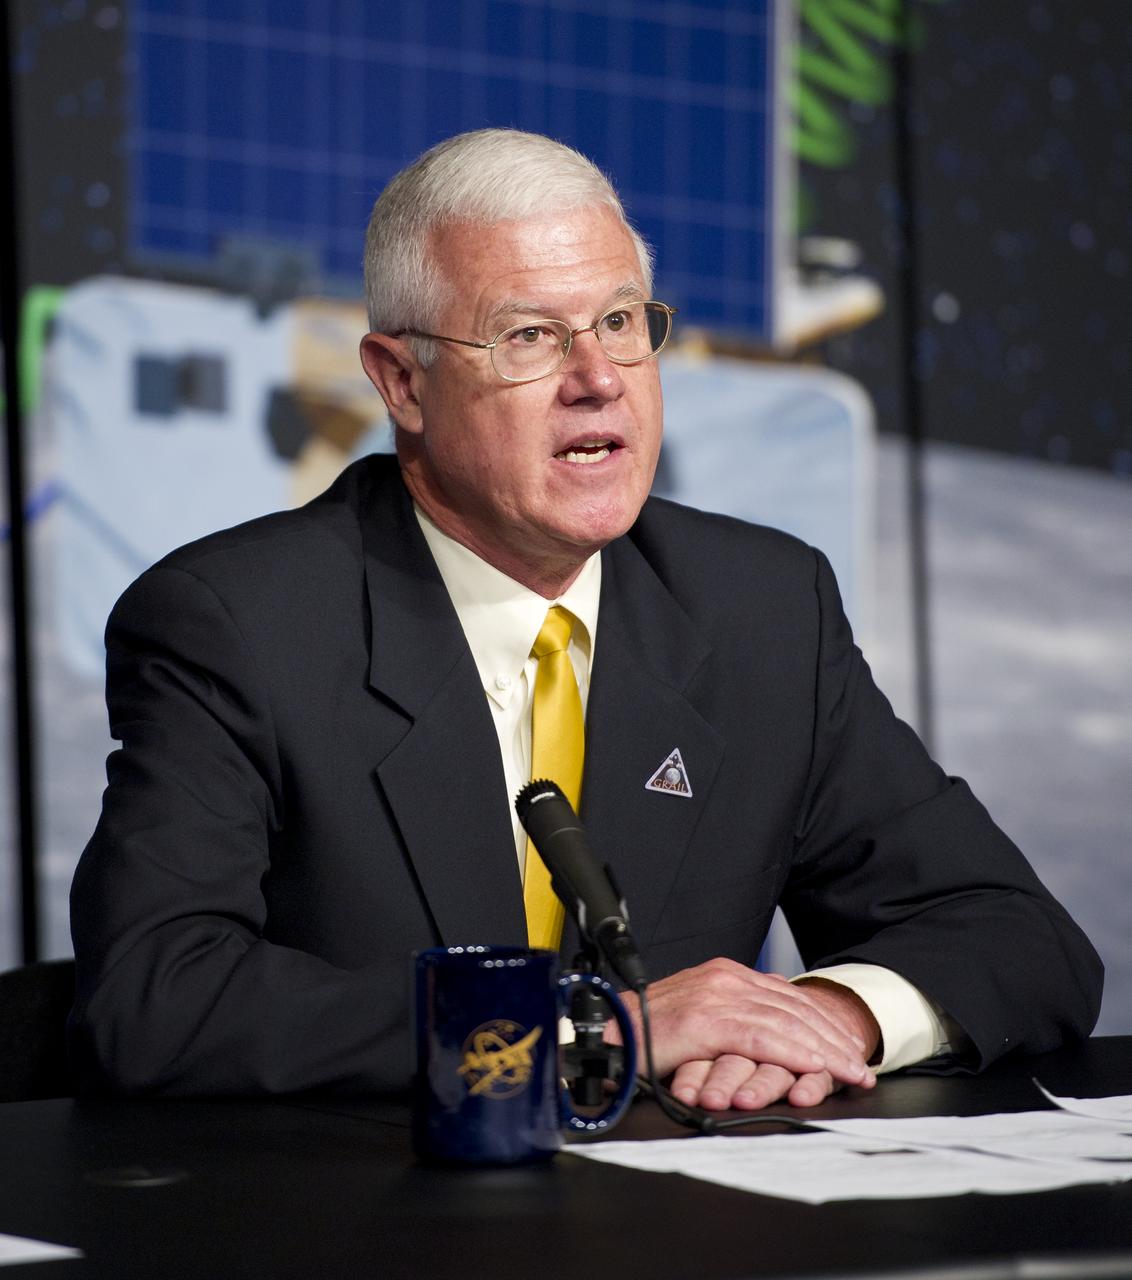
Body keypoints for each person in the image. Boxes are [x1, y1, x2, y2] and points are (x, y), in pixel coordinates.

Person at [69, 129, 1102, 1107]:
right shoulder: (237, 624)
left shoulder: (761, 606)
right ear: (400, 381)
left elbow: (1017, 936)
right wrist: (595, 1026)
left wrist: (825, 1015)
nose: (599, 379)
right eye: (530, 336)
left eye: (619, 321)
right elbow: (156, 996)